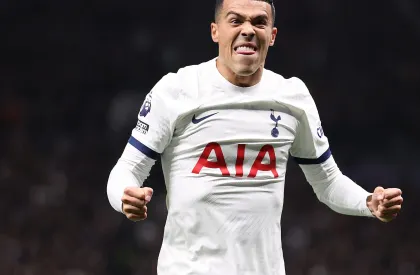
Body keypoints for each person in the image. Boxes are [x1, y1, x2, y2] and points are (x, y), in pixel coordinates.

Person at [106, 0, 404, 274]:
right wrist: (124, 196)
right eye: (235, 21)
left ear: (272, 35)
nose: (247, 30)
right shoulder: (177, 90)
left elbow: (327, 182)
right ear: (215, 31)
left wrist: (368, 202)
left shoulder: (292, 98)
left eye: (259, 22)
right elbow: (128, 169)